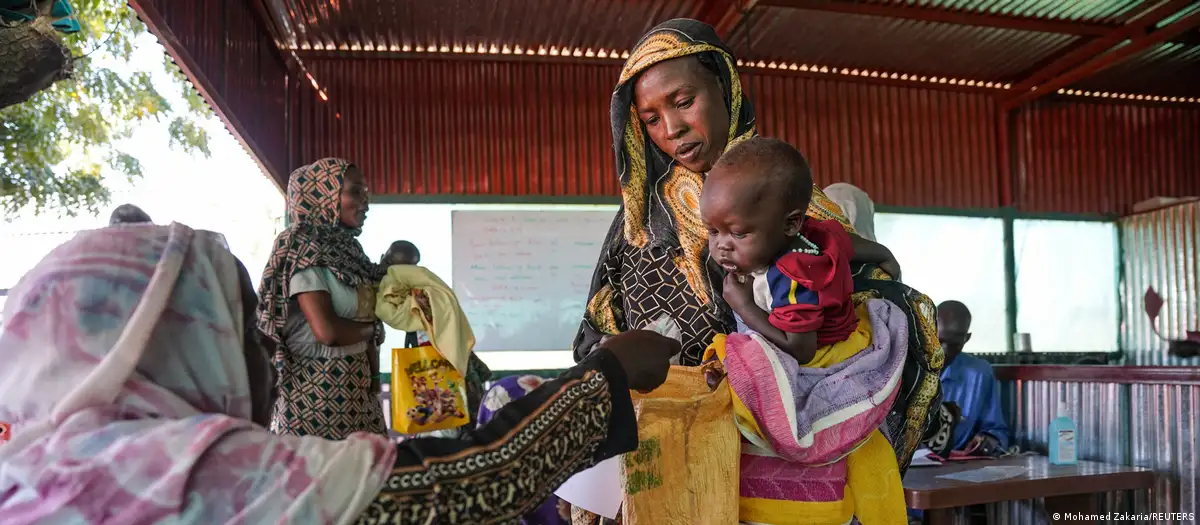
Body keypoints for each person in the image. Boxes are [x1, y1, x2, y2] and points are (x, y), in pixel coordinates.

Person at [0, 222, 680, 523]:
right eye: (239, 328)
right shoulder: (186, 475)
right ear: (170, 346)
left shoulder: (25, 469)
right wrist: (605, 373)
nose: (270, 351)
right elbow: (472, 485)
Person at [573, 18, 951, 503]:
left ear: (724, 87)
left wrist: (882, 279)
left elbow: (867, 315)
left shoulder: (791, 203)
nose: (672, 129)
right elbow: (592, 335)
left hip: (780, 468)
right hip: (668, 459)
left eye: (684, 101)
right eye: (650, 119)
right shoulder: (636, 224)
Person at [701, 137, 908, 521]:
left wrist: (744, 305)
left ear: (790, 223)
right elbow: (847, 243)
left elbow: (801, 349)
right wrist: (884, 254)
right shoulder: (810, 234)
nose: (722, 247)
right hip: (822, 332)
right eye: (713, 232)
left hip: (821, 354)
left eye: (738, 234)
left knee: (738, 356)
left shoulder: (791, 277)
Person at [256, 158, 388, 439]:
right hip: (315, 398)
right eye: (355, 192)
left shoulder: (348, 250)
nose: (365, 201)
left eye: (365, 192)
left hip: (358, 394)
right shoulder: (302, 246)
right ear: (324, 195)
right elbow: (327, 331)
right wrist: (373, 330)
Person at [377, 240, 492, 435]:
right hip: (453, 376)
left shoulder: (418, 296)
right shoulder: (435, 291)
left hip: (440, 380)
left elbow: (389, 312)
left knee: (444, 438)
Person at [937, 300, 1011, 455]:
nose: (945, 352)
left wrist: (987, 440)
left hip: (958, 466)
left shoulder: (979, 374)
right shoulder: (904, 369)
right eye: (939, 341)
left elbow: (997, 431)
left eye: (955, 344)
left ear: (967, 338)